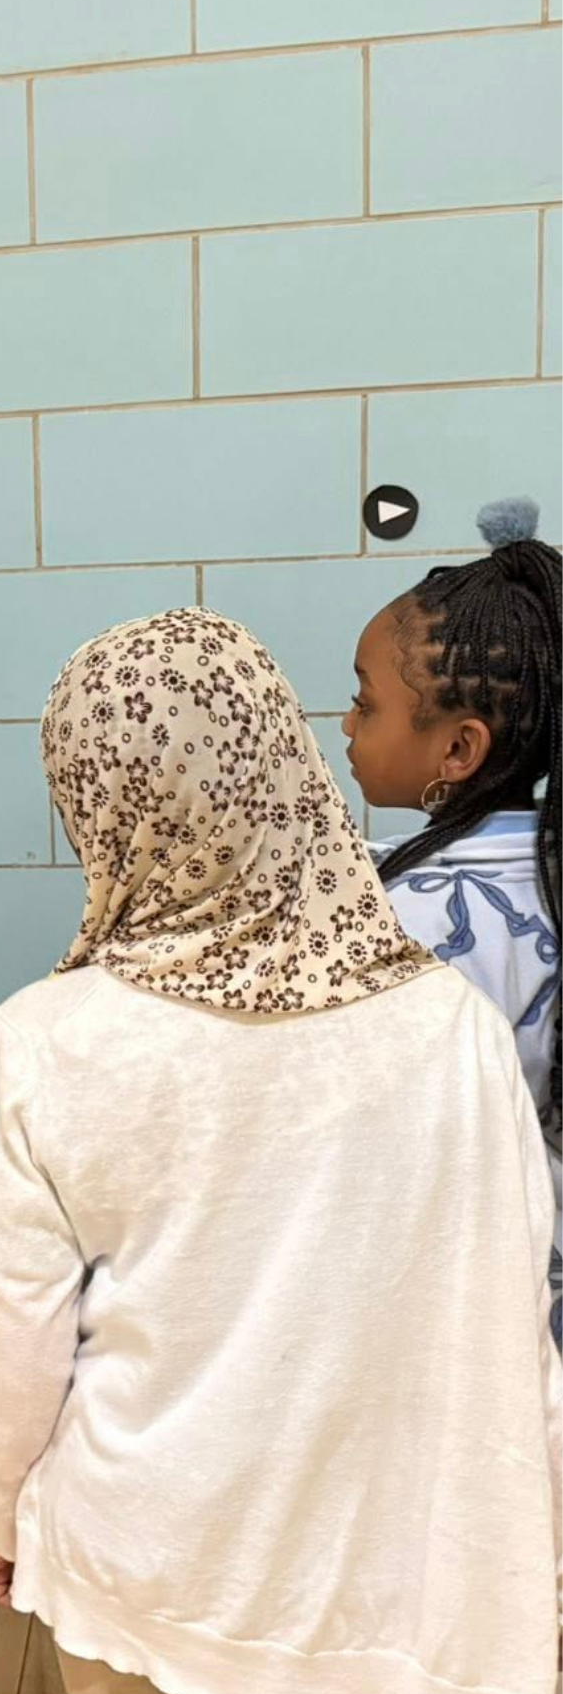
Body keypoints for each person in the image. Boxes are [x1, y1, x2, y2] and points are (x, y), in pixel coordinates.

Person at [0, 608, 559, 1694]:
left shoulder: (43, 1043)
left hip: (141, 1548)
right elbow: (507, 1332)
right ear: (284, 764)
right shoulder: (456, 1033)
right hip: (386, 1573)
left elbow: (7, 1350)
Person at [344, 497, 561, 1343]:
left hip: (445, 1317)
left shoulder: (384, 910)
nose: (348, 726)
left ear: (457, 749)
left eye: (365, 703)